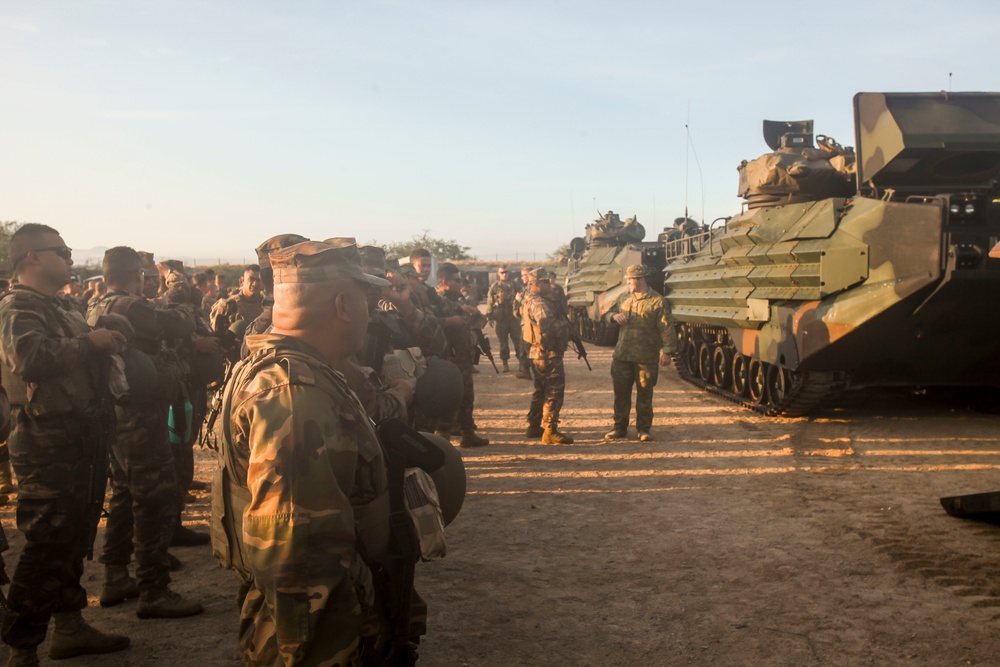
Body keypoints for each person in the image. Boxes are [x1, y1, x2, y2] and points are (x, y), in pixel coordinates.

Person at [214, 239, 410, 664]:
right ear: (343, 305)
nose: (371, 314)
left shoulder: (293, 367)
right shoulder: (294, 395)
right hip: (318, 633)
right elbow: (297, 553)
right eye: (367, 301)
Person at [0, 224, 130, 665]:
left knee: (75, 538)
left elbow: (77, 344)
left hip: (80, 444)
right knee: (47, 546)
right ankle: (22, 648)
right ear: (31, 257)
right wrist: (88, 341)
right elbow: (29, 358)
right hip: (46, 447)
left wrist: (102, 329)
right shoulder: (18, 306)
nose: (72, 258)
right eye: (63, 250)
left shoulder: (60, 306)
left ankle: (70, 626)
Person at [87, 247, 203, 618]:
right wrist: (178, 305)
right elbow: (179, 323)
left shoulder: (97, 304)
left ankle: (116, 574)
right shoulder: (128, 307)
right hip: (140, 417)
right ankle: (154, 589)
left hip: (120, 416)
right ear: (137, 274)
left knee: (123, 493)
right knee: (154, 497)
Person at [604, 264, 677, 442]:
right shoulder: (623, 298)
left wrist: (667, 351)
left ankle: (644, 429)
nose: (628, 283)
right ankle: (619, 428)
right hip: (622, 355)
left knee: (645, 394)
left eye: (631, 279)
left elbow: (666, 328)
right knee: (621, 394)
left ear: (641, 279)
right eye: (628, 279)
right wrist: (613, 317)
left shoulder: (658, 301)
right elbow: (607, 314)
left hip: (646, 357)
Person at [435, 263, 489, 448]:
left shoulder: (457, 300)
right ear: (444, 282)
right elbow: (433, 325)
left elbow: (479, 321)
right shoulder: (438, 302)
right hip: (449, 357)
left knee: (467, 396)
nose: (461, 283)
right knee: (449, 398)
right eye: (456, 280)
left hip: (463, 356)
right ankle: (443, 439)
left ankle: (467, 433)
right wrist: (452, 321)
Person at [521, 268, 574, 444]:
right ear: (536, 284)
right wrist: (568, 328)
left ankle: (534, 425)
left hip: (539, 352)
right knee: (554, 391)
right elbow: (548, 325)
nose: (549, 284)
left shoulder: (535, 299)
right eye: (545, 281)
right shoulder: (538, 303)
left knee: (541, 389)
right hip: (547, 353)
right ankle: (550, 430)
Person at [485, 265, 520, 372]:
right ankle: (505, 363)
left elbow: (521, 296)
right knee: (503, 342)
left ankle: (521, 363)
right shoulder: (495, 286)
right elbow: (490, 301)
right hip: (501, 318)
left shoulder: (515, 284)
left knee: (518, 341)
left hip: (514, 317)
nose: (504, 274)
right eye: (502, 272)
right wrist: (490, 316)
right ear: (498, 274)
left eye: (506, 272)